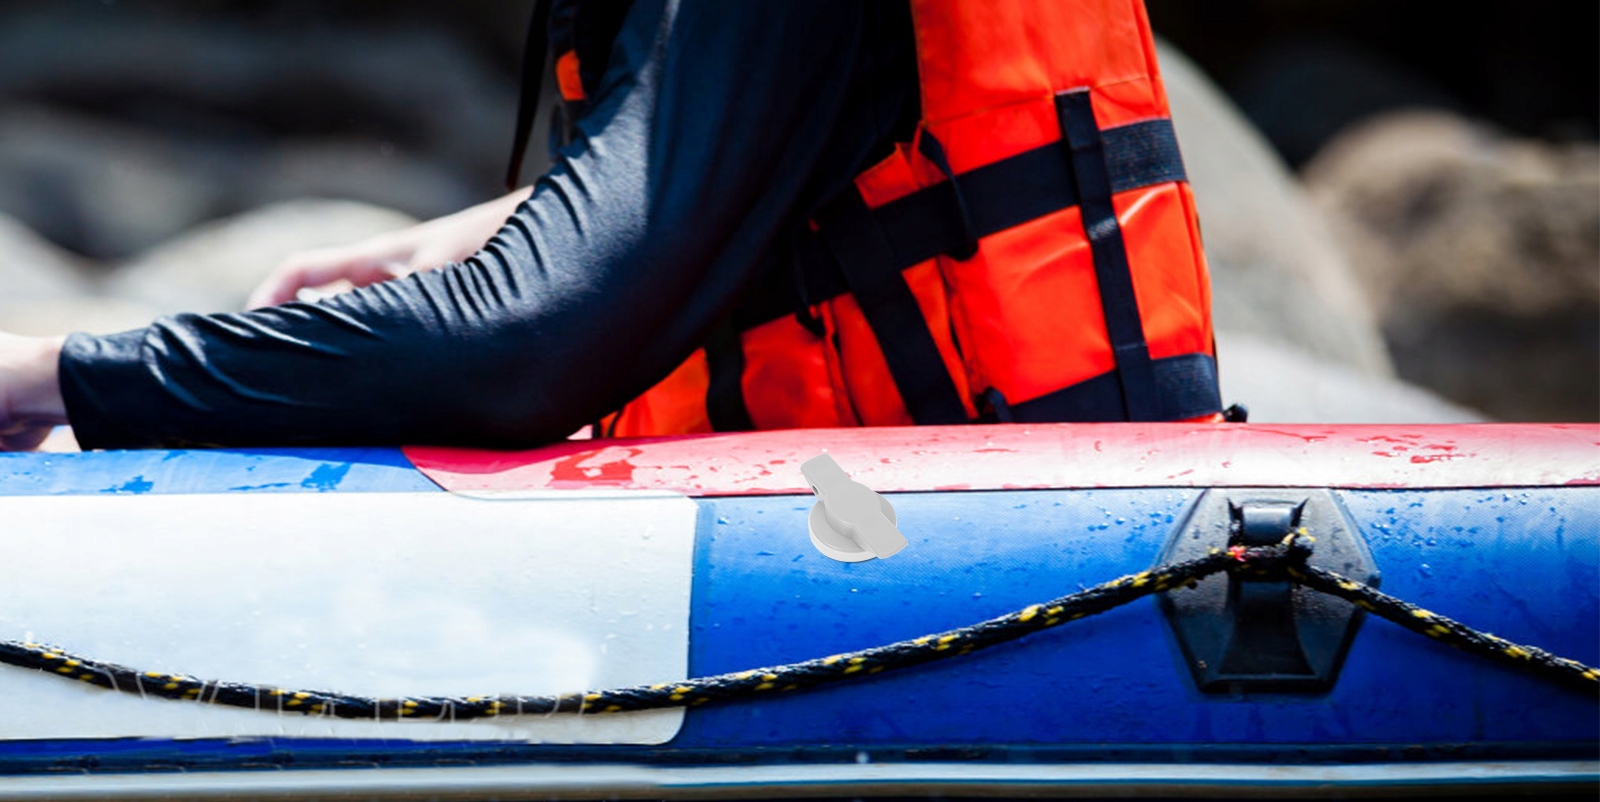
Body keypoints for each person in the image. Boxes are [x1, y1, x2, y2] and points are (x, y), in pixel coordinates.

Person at [0, 0, 1218, 453]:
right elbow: (822, 163)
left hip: (993, 554)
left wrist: (60, 376)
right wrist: (493, 227)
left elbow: (518, 351)